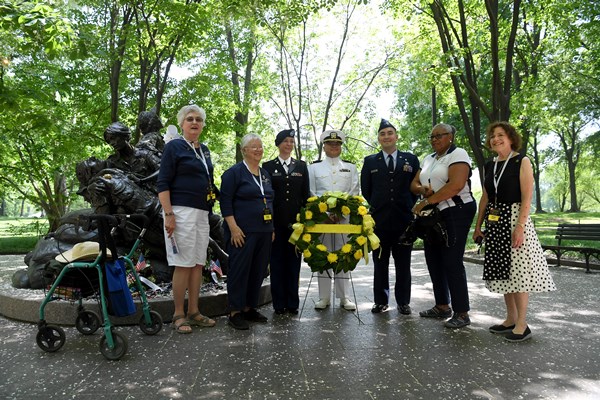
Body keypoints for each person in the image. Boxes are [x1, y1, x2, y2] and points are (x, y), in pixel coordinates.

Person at [473, 121, 556, 342]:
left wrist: (520, 227)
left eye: (500, 135)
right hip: (495, 221)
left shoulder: (522, 161)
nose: (495, 139)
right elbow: (486, 197)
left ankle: (523, 323)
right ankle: (510, 319)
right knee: (503, 272)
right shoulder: (489, 166)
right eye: (492, 136)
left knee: (518, 272)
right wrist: (478, 225)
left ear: (511, 138)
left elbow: (528, 197)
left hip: (515, 219)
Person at [157, 104, 217, 333]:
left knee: (198, 264)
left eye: (199, 119)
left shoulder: (205, 150)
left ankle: (194, 311)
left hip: (202, 212)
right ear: (182, 123)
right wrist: (169, 214)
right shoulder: (174, 147)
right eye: (190, 119)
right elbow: (163, 183)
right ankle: (178, 314)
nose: (195, 122)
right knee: (182, 264)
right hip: (180, 212)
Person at [411, 123, 476, 329]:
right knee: (433, 259)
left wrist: (426, 202)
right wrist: (423, 190)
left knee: (451, 260)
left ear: (451, 136)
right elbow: (413, 184)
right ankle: (442, 306)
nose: (435, 139)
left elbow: (456, 185)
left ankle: (462, 312)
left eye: (440, 135)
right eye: (432, 136)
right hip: (434, 214)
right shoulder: (429, 158)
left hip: (456, 211)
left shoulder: (458, 154)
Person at [361, 119, 419, 315]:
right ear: (378, 138)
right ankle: (380, 301)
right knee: (380, 264)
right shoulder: (370, 161)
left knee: (404, 265)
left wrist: (406, 207)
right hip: (380, 221)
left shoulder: (410, 159)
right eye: (382, 134)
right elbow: (366, 190)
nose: (386, 137)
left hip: (403, 221)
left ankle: (403, 302)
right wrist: (380, 205)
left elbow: (415, 188)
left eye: (389, 133)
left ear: (396, 136)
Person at [221, 133, 275, 330]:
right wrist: (233, 228)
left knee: (258, 270)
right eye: (253, 147)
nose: (258, 150)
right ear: (244, 151)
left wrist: (272, 228)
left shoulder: (265, 174)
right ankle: (234, 311)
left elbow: (269, 201)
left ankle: (249, 307)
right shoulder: (233, 173)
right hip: (242, 233)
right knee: (240, 270)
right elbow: (225, 202)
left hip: (264, 231)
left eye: (260, 146)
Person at [308, 130, 359, 311]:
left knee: (343, 254)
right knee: (323, 254)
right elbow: (312, 193)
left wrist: (341, 212)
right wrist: (325, 215)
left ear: (341, 146)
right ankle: (324, 297)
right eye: (330, 144)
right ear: (324, 146)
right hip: (323, 220)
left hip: (343, 220)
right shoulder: (313, 168)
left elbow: (354, 192)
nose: (334, 146)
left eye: (337, 144)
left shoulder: (351, 168)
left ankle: (344, 297)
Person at [262, 129, 310, 315]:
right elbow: (266, 197)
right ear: (278, 143)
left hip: (296, 224)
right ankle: (278, 303)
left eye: (291, 141)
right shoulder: (267, 166)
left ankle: (292, 302)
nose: (289, 144)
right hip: (276, 223)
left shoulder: (301, 166)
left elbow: (305, 196)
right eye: (285, 141)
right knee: (276, 263)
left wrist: (305, 222)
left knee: (294, 262)